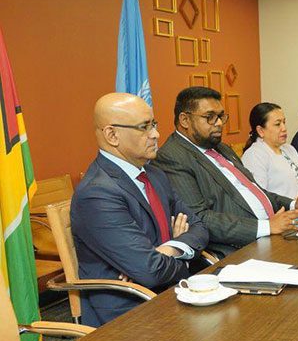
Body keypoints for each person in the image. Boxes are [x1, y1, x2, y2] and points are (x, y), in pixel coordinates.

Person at [71, 93, 209, 327]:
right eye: (144, 127)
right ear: (112, 135)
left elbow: (199, 227)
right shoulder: (97, 194)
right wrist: (183, 255)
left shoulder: (153, 174)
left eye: (153, 124)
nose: (155, 134)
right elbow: (150, 271)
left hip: (171, 292)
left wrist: (168, 249)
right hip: (131, 314)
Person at [151, 87, 298, 258]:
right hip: (238, 249)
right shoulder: (173, 157)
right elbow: (199, 218)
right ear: (185, 120)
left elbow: (255, 191)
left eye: (221, 116)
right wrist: (266, 227)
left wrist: (294, 205)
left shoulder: (221, 148)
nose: (218, 123)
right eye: (210, 117)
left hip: (272, 235)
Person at [241, 102, 298, 199]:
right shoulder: (254, 155)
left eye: (284, 122)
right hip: (285, 212)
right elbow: (261, 197)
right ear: (260, 130)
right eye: (277, 124)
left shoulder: (289, 149)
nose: (284, 128)